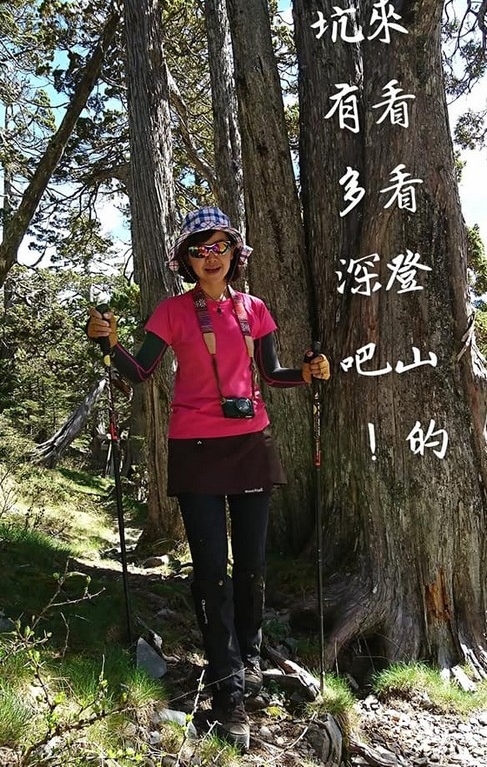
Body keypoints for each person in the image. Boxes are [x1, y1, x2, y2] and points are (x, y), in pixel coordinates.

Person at [87, 206, 330, 751]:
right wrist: (106, 343)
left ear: (234, 252)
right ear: (185, 259)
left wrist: (309, 371)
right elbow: (139, 371)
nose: (210, 256)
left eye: (220, 245)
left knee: (252, 568)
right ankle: (226, 689)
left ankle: (247, 659)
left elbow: (273, 374)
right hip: (194, 447)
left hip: (250, 444)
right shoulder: (172, 311)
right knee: (212, 572)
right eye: (199, 248)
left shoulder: (256, 309)